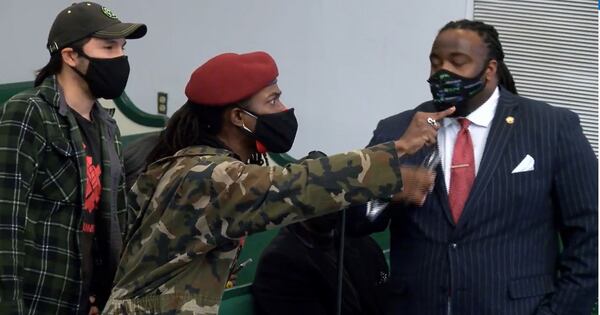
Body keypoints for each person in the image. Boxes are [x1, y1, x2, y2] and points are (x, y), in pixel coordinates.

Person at [103, 51, 454, 314]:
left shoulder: (204, 165)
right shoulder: (206, 177)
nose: (284, 109)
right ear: (239, 117)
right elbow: (294, 186)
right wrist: (397, 151)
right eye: (272, 100)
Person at [350, 19, 598, 315]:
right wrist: (388, 183)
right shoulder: (398, 130)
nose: (443, 72)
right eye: (436, 62)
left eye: (458, 62)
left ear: (490, 69)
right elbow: (356, 223)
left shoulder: (551, 128)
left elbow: (590, 235)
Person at [0, 2, 146, 314]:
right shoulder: (28, 112)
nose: (120, 57)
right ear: (70, 56)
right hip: (39, 297)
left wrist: (103, 293)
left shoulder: (107, 126)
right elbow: (6, 220)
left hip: (85, 300)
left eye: (122, 48)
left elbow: (114, 220)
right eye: (108, 47)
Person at [252, 151, 390, 315]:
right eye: (318, 192)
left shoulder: (363, 245)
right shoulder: (279, 263)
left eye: (334, 191)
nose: (328, 200)